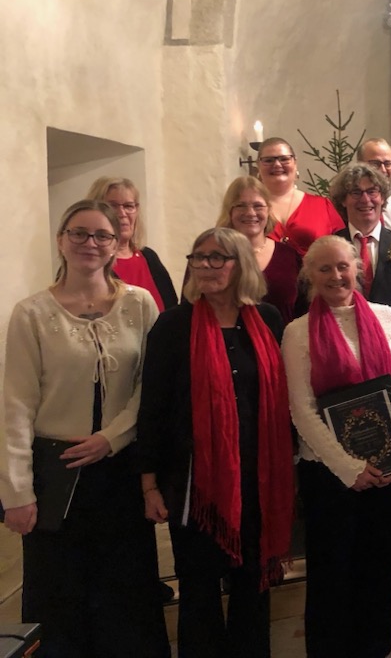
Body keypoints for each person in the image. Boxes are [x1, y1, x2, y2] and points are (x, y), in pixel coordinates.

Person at [0, 199, 170, 657]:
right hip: (56, 472)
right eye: (79, 233)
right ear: (61, 240)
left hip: (121, 469)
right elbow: (16, 406)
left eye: (101, 235)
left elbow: (151, 387)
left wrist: (110, 438)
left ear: (116, 244)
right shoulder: (32, 314)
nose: (89, 243)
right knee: (60, 596)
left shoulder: (140, 304)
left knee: (126, 594)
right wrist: (16, 492)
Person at [137, 228, 294, 658]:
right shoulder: (173, 325)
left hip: (258, 477)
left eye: (217, 257)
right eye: (198, 257)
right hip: (195, 483)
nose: (205, 266)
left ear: (240, 264)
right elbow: (152, 408)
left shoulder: (268, 319)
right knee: (199, 588)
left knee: (253, 585)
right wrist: (149, 484)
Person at [283, 235, 391, 658]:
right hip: (327, 473)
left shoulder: (387, 317)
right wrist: (347, 467)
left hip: (386, 472)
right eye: (324, 268)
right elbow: (301, 409)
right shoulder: (297, 332)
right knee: (332, 572)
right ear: (309, 275)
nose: (336, 275)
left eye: (343, 266)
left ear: (357, 268)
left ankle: (374, 649)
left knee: (378, 566)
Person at [329, 163, 391, 337]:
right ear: (343, 200)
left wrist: (381, 333)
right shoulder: (329, 248)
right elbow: (318, 299)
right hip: (342, 341)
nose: (365, 199)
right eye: (356, 192)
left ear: (382, 198)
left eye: (372, 191)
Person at [216, 175, 304, 323]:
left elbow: (305, 312)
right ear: (229, 211)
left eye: (258, 206)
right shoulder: (211, 256)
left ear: (268, 210)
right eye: (241, 205)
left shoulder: (289, 257)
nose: (250, 213)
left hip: (282, 337)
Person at [87, 176, 178, 311]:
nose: (122, 213)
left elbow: (172, 310)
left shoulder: (149, 257)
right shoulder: (86, 262)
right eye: (112, 206)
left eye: (128, 206)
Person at [257, 136, 344, 255]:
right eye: (268, 160)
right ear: (258, 166)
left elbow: (342, 251)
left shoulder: (322, 206)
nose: (277, 164)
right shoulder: (250, 209)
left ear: (295, 163)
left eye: (284, 159)